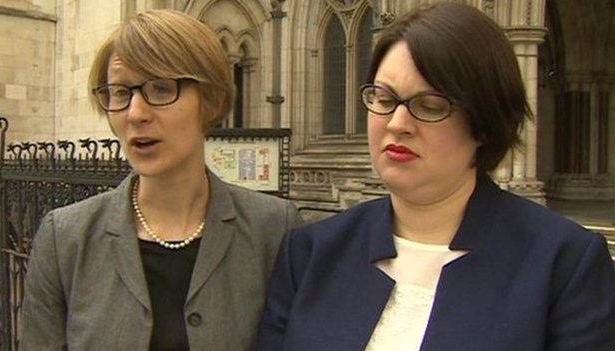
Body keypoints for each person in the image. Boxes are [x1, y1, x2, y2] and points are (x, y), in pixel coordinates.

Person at [257, 2, 615, 351]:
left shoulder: (564, 264)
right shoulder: (311, 252)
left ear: (485, 121)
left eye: (429, 106)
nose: (397, 123)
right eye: (383, 100)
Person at [19, 9, 302, 350]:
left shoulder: (274, 229)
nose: (135, 113)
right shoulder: (65, 238)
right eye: (121, 93)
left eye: (160, 88)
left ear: (210, 100)